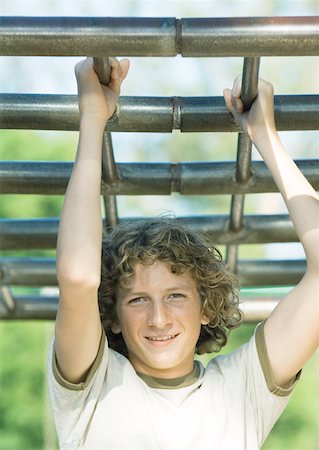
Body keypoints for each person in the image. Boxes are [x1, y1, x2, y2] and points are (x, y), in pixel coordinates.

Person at [47, 57, 319, 450]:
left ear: (206, 307)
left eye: (176, 295)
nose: (159, 318)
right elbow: (77, 277)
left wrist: (265, 135)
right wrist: (92, 118)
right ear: (115, 317)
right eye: (138, 299)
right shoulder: (95, 383)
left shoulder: (242, 389)